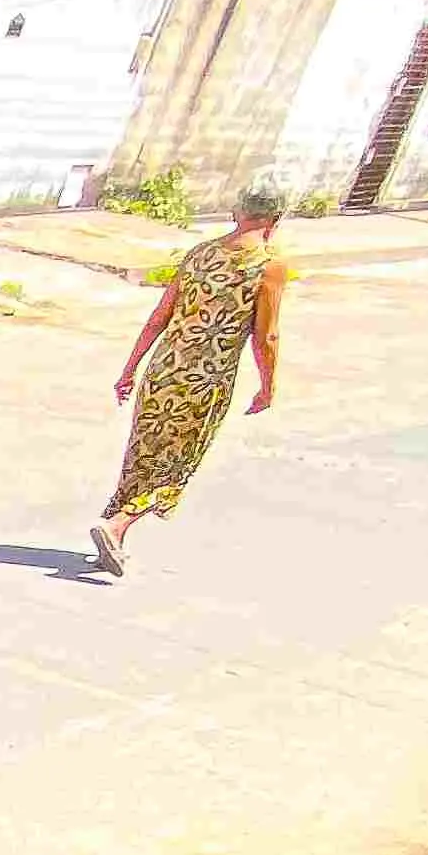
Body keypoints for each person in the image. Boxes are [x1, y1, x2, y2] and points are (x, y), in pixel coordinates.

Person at [91, 189, 287, 576]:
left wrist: (130, 369)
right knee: (177, 465)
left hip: (163, 370)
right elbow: (266, 336)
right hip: (204, 381)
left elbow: (159, 315)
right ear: (276, 219)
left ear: (237, 212)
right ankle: (115, 525)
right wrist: (268, 387)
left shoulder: (200, 253)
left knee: (143, 456)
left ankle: (112, 538)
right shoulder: (268, 265)